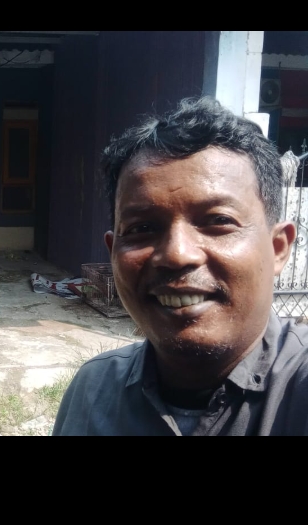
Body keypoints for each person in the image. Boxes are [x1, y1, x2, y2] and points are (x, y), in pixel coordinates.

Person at [53, 98, 307, 436]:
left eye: (218, 221)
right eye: (143, 228)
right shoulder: (93, 390)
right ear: (113, 253)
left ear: (278, 248)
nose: (176, 255)